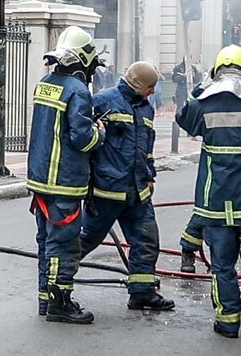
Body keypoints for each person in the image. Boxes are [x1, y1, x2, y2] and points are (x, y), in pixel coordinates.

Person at [78, 61, 176, 311]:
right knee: (86, 239)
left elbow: (147, 148)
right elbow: (82, 139)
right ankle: (55, 283)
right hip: (106, 192)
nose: (153, 92)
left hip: (138, 191)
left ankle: (142, 294)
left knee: (146, 240)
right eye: (151, 86)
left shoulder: (146, 108)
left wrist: (150, 175)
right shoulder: (102, 102)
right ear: (138, 84)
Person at [28, 26, 105, 324]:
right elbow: (82, 139)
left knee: (45, 241)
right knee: (64, 243)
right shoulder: (78, 91)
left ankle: (45, 301)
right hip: (64, 181)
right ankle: (61, 303)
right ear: (83, 61)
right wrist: (100, 132)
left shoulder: (44, 83)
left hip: (40, 179)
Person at [175, 46, 241, 338]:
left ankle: (228, 321)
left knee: (223, 266)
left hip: (216, 201)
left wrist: (200, 88)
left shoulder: (207, 101)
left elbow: (183, 118)